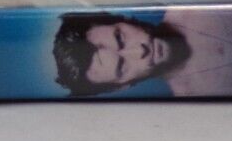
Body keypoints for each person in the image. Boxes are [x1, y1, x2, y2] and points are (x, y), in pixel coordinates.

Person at [52, 12, 192, 97]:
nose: (139, 51)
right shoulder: (190, 103)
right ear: (122, 86)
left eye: (120, 38)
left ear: (123, 19)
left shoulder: (188, 2)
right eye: (122, 66)